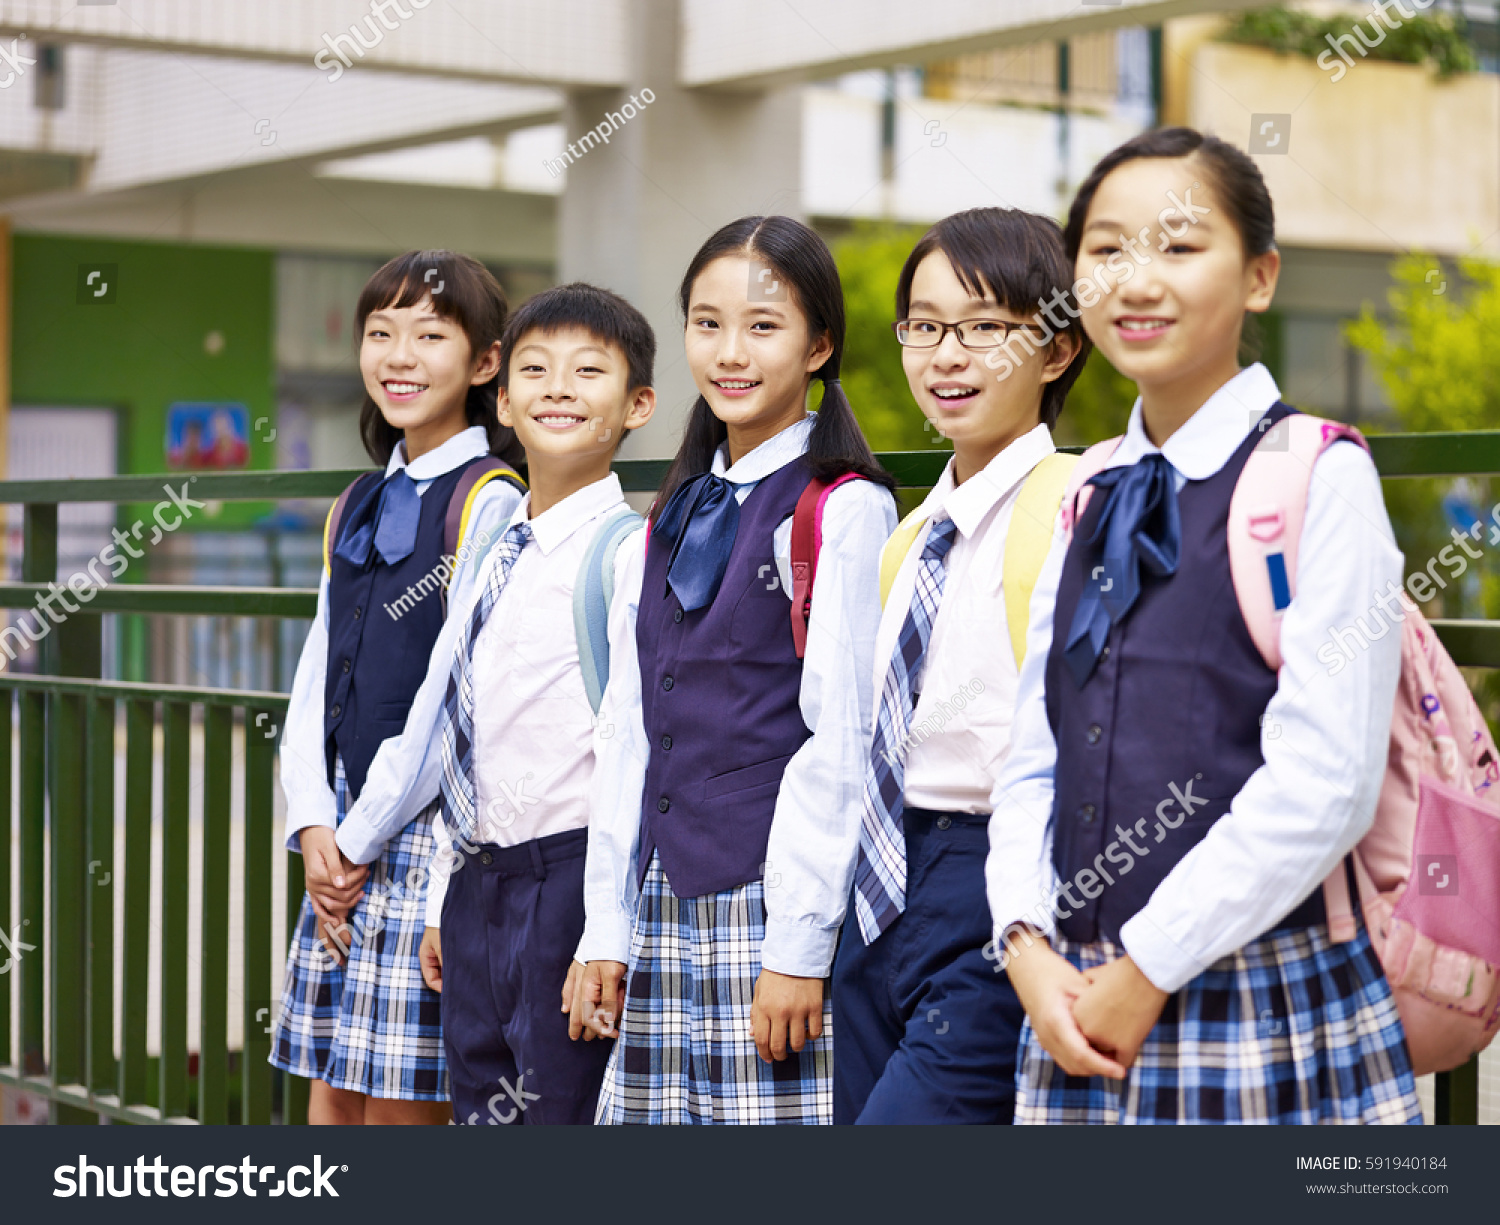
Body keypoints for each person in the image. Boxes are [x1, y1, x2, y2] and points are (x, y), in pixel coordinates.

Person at [986, 128, 1423, 1124]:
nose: (1138, 281)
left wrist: (1146, 964)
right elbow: (1031, 753)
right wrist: (1023, 945)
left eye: (1179, 248)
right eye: (1106, 250)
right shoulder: (1087, 489)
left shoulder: (1317, 474)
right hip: (1070, 998)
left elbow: (1326, 781)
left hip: (1251, 997)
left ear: (1259, 276)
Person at [572, 215, 898, 1124]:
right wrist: (607, 925)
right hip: (659, 904)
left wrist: (797, 947)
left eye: (764, 325)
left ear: (819, 344)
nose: (730, 351)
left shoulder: (843, 506)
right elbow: (629, 727)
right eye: (707, 323)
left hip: (769, 904)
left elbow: (842, 740)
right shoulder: (667, 513)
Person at [831, 208, 1087, 1124]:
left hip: (996, 883)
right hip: (878, 884)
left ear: (1055, 351)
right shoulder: (911, 536)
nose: (948, 354)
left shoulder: (1074, 509)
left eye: (984, 328)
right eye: (926, 326)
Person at [270, 250, 525, 1125]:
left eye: (429, 333)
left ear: (485, 362)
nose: (399, 355)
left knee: (400, 1107)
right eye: (381, 333)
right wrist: (310, 820)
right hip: (341, 827)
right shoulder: (357, 501)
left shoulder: (489, 497)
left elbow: (450, 700)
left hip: (417, 834)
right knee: (329, 1094)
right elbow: (315, 667)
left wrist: (357, 835)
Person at [410, 282, 656, 1125]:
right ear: (503, 399)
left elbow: (631, 749)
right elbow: (465, 725)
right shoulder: (490, 545)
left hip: (567, 881)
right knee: (480, 1109)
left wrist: (604, 931)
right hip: (479, 877)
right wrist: (450, 884)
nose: (559, 387)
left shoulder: (626, 554)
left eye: (590, 370)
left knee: (558, 1112)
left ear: (639, 405)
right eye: (536, 369)